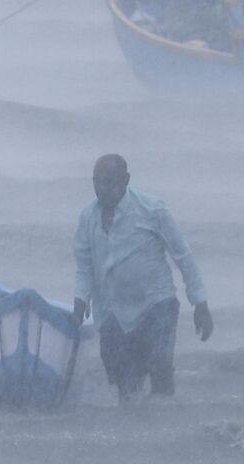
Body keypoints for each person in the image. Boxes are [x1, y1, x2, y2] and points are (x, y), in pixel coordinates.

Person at [72, 154, 212, 400]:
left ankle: (166, 426)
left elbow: (183, 256)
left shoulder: (152, 210)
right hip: (113, 312)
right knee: (125, 384)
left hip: (157, 304)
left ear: (125, 180)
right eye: (96, 182)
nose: (100, 190)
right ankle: (135, 434)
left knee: (160, 369)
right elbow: (84, 267)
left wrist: (200, 303)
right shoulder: (87, 218)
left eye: (107, 182)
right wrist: (79, 303)